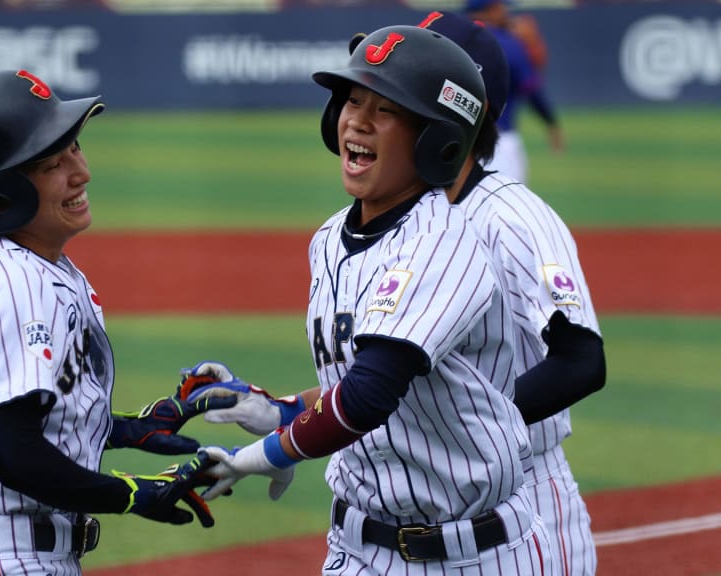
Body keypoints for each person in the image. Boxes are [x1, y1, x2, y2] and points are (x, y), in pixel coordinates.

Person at [184, 25, 551, 574]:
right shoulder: (330, 239)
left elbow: (369, 395)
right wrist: (279, 410)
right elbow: (354, 384)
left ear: (435, 139)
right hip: (357, 549)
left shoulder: (445, 245)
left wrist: (255, 459)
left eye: (385, 109)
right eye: (352, 100)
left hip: (474, 555)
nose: (356, 119)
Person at [0, 69, 234, 576]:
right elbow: (17, 454)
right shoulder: (14, 282)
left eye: (74, 148)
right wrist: (134, 493)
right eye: (53, 162)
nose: (81, 172)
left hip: (6, 555)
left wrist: (133, 429)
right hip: (6, 558)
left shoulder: (31, 267)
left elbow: (31, 422)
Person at [419, 12, 605, 575]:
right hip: (429, 511)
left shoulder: (512, 218)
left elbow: (582, 360)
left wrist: (469, 428)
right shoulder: (407, 219)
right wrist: (288, 416)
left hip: (527, 498)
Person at [465, 0, 563, 184]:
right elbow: (531, 88)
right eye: (502, 7)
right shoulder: (508, 44)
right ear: (491, 10)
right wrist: (551, 123)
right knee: (507, 208)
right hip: (498, 144)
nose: (506, 13)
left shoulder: (452, 40)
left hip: (457, 144)